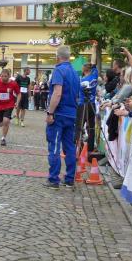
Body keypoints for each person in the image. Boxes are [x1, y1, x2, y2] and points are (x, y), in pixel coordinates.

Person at [44, 45, 80, 188]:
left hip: (59, 114)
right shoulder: (75, 72)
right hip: (71, 114)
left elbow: (57, 93)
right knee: (69, 147)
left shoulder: (59, 70)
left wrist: (50, 112)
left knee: (54, 146)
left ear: (58, 57)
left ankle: (54, 179)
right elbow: (77, 96)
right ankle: (70, 178)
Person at [0, 68, 21, 146]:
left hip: (9, 104)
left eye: (5, 76)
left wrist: (17, 103)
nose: (3, 78)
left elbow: (19, 94)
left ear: (9, 76)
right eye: (2, 76)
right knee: (0, 124)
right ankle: (10, 118)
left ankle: (3, 138)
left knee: (6, 121)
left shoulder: (13, 83)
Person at [76, 45, 99, 152]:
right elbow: (94, 62)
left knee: (79, 125)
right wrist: (94, 48)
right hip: (92, 104)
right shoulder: (94, 75)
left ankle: (78, 146)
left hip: (82, 104)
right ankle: (90, 148)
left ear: (84, 70)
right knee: (91, 127)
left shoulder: (81, 81)